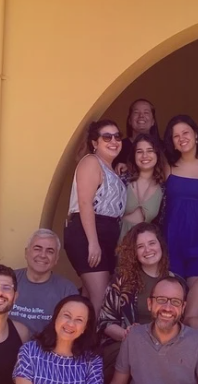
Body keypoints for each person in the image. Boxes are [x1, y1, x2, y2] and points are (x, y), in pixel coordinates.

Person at [65, 119, 127, 313]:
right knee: (101, 298)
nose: (113, 141)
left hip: (106, 234)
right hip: (88, 233)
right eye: (106, 137)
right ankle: (93, 334)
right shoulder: (91, 162)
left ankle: (82, 332)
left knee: (90, 297)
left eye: (117, 136)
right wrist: (93, 242)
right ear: (95, 143)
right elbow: (85, 203)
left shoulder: (111, 169)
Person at [98, 223, 173, 375]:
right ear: (134, 252)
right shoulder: (122, 280)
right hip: (126, 345)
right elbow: (105, 322)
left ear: (161, 245)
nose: (147, 250)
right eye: (140, 246)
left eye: (152, 243)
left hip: (166, 347)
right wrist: (128, 335)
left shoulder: (174, 281)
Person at [0, 229, 79, 337]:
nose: (43, 255)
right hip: (5, 345)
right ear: (26, 253)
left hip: (46, 347)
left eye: (50, 251)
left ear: (56, 258)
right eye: (37, 249)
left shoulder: (67, 290)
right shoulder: (6, 280)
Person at [162, 115, 198, 280]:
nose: (181, 138)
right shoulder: (167, 167)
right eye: (176, 136)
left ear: (195, 134)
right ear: (172, 143)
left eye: (185, 132)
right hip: (171, 242)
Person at [120, 133, 165, 238]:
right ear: (134, 155)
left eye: (150, 151)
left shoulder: (163, 188)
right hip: (117, 240)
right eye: (139, 151)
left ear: (157, 154)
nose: (145, 155)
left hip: (143, 243)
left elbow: (161, 223)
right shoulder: (122, 179)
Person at [115, 98, 160, 176]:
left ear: (153, 121)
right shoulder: (118, 147)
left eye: (146, 112)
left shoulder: (163, 147)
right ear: (129, 120)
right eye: (136, 112)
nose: (141, 116)